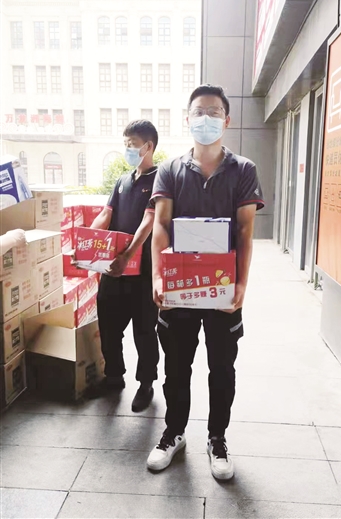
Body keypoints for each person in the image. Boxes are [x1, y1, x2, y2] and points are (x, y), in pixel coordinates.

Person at [147, 84, 264, 479]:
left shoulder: (243, 170)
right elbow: (161, 225)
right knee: (176, 367)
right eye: (199, 112)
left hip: (221, 289)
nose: (206, 119)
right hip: (179, 289)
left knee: (222, 369)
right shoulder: (170, 169)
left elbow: (245, 231)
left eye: (214, 112)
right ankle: (174, 433)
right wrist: (158, 277)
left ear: (227, 120)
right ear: (187, 119)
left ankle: (217, 439)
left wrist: (241, 286)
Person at [88, 120, 159, 412]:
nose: (127, 149)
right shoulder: (122, 180)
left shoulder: (160, 179)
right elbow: (106, 214)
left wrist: (127, 256)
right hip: (112, 270)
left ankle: (146, 384)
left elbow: (149, 221)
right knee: (109, 326)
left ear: (148, 146)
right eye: (126, 144)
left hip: (142, 272)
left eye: (132, 144)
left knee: (144, 331)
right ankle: (114, 377)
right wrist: (86, 241)